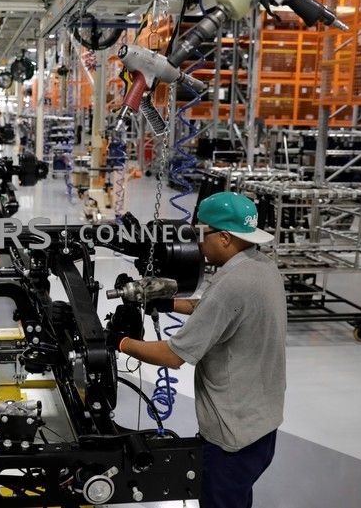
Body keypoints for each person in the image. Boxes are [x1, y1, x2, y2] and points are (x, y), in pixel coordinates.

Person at [109, 192, 286, 508]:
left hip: (230, 438)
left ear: (225, 238)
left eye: (202, 234)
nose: (199, 245)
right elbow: (218, 308)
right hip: (261, 424)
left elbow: (173, 356)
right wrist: (165, 302)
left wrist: (120, 343)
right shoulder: (261, 266)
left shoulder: (231, 284)